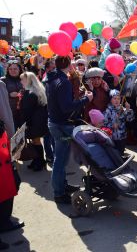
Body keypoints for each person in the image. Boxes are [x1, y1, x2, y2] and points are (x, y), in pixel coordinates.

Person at [45, 56, 93, 204]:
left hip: (55, 123)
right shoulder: (63, 82)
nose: (74, 66)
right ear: (67, 65)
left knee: (63, 158)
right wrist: (86, 100)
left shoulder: (51, 78)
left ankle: (62, 186)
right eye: (72, 63)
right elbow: (66, 107)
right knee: (60, 160)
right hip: (61, 125)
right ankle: (59, 193)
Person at [20, 72, 48, 171]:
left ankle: (40, 161)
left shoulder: (30, 93)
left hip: (33, 122)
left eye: (22, 79)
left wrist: (25, 123)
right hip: (38, 121)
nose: (21, 81)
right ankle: (38, 160)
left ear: (28, 80)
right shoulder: (37, 90)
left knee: (36, 141)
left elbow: (27, 110)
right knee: (36, 141)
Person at [103, 90, 134, 155]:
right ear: (110, 99)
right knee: (114, 154)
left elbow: (129, 119)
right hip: (112, 137)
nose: (117, 100)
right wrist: (112, 125)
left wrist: (128, 110)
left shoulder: (122, 109)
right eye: (114, 98)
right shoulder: (107, 110)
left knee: (121, 152)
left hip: (122, 136)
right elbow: (104, 123)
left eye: (118, 98)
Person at [1, 61, 23, 130]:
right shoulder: (3, 80)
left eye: (15, 69)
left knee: (23, 134)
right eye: (10, 69)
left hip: (23, 111)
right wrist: (9, 95)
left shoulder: (24, 79)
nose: (12, 71)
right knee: (12, 135)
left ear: (19, 69)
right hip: (9, 112)